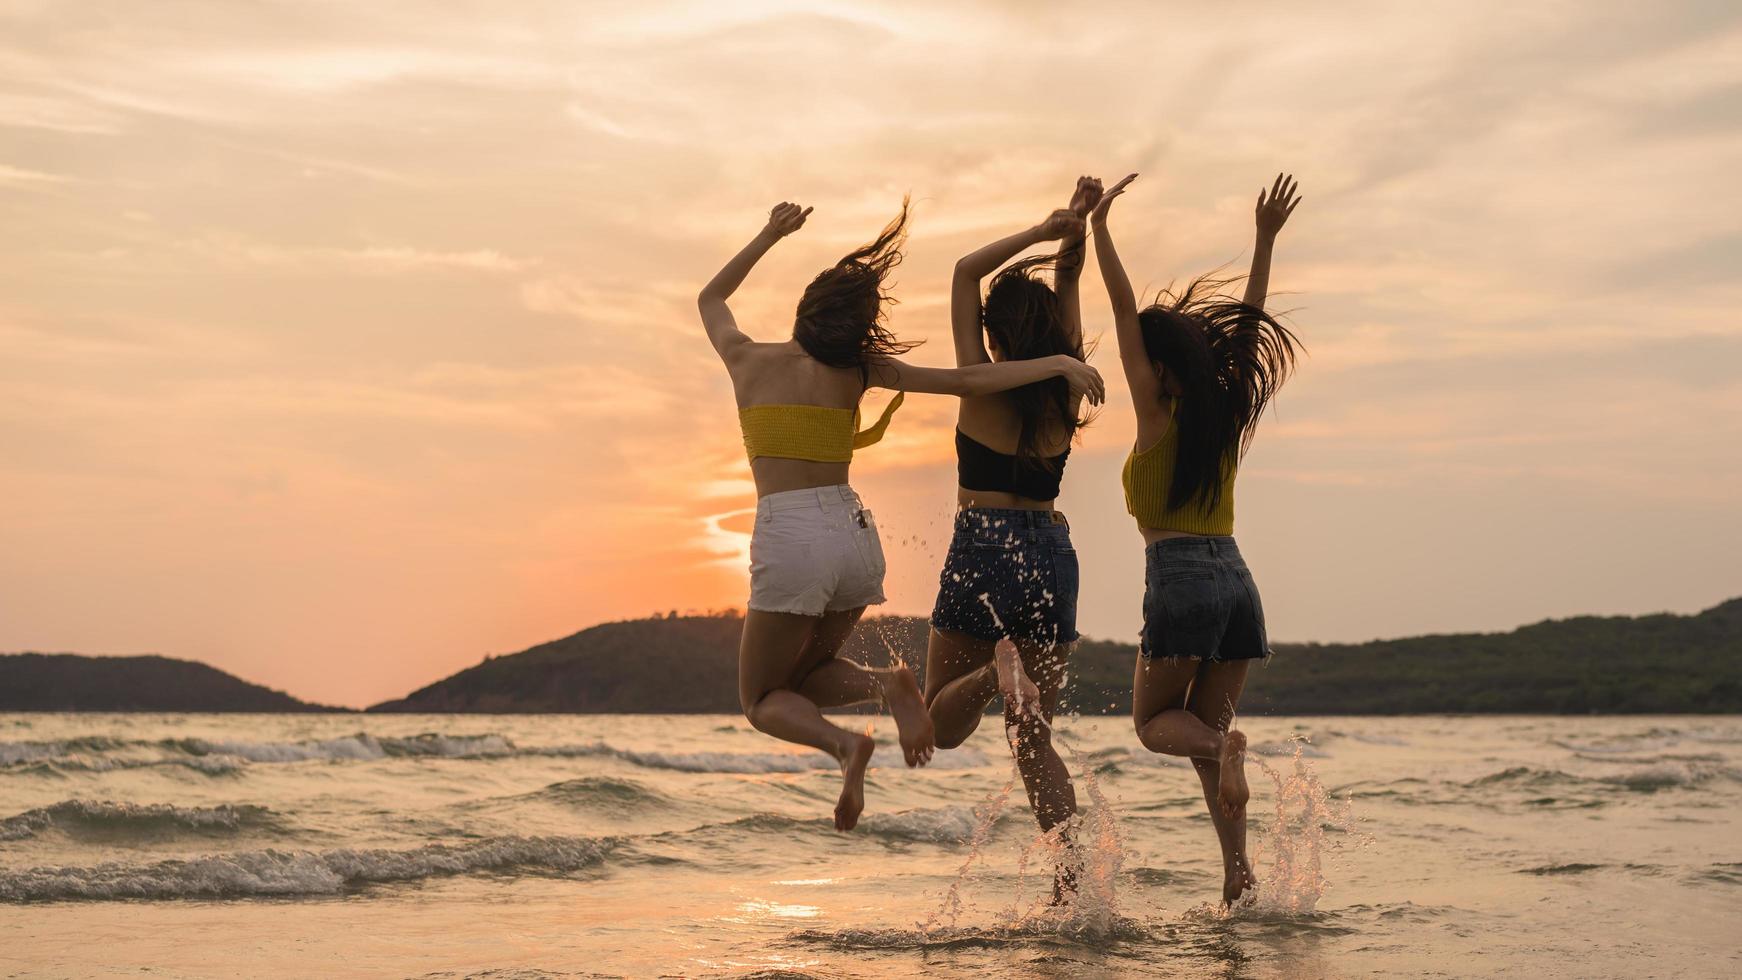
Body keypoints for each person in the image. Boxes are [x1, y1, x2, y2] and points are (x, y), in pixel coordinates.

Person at [699, 199, 1106, 831]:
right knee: (1033, 741)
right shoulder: (867, 372)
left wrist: (769, 235)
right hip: (884, 540)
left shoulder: (748, 360)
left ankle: (846, 742)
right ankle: (1070, 887)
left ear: (805, 313)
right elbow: (963, 377)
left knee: (761, 700)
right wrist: (1068, 273)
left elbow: (711, 300)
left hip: (815, 536)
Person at [1092, 173, 1302, 902]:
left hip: (1180, 577)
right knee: (1203, 752)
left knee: (1155, 723)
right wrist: (1265, 239)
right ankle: (1238, 878)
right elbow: (1247, 331)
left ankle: (1225, 747)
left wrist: (1099, 228)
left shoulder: (1159, 418)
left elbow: (1121, 311)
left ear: (1159, 371)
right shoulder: (1223, 421)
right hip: (1239, 584)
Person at [923, 178, 1101, 893]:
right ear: (1054, 333)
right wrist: (1077, 230)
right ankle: (1069, 882)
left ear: (996, 336)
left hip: (982, 546)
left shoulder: (978, 382)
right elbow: (1070, 279)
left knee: (942, 722)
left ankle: (989, 673)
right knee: (1034, 740)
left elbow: (966, 270)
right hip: (1052, 553)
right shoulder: (1067, 383)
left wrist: (1042, 227)